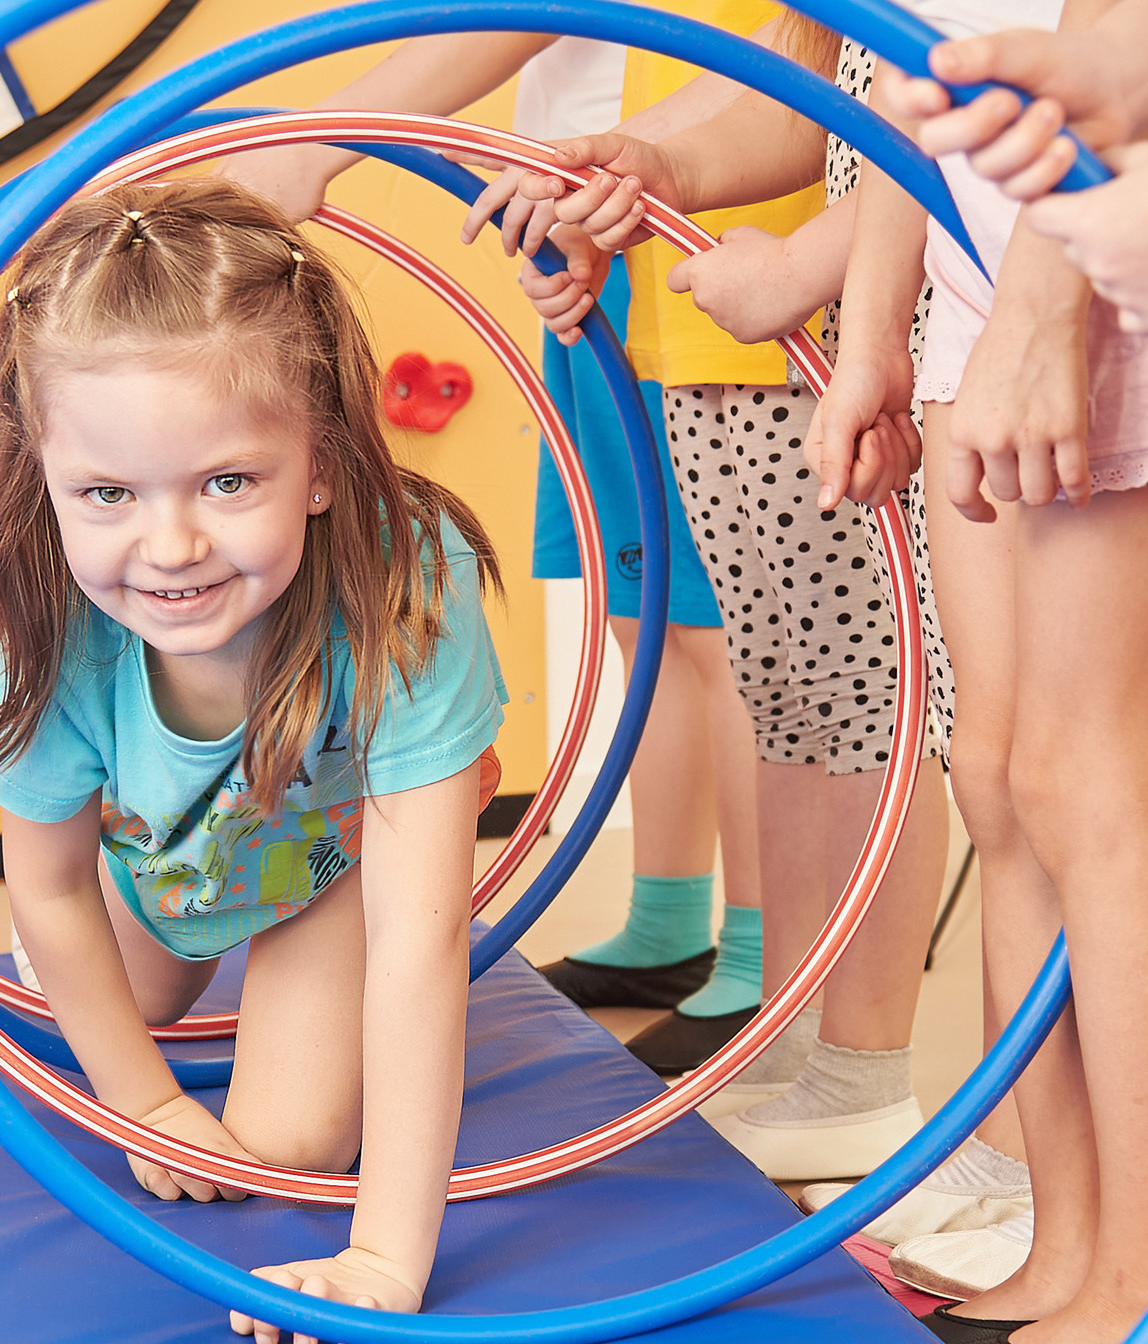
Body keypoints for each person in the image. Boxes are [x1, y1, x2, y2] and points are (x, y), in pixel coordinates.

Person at [0, 178, 507, 1344]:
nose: (169, 546)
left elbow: (423, 940)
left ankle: (278, 978)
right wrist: (145, 1104)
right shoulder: (49, 619)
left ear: (318, 463)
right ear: (43, 484)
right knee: (102, 1005)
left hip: (336, 861)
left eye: (226, 481)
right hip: (162, 860)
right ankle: (172, 975)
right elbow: (46, 885)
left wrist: (381, 1259)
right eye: (106, 493)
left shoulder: (406, 576)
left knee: (285, 1146)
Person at [810, 0, 1148, 1344]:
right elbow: (902, 64)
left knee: (1084, 778)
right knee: (997, 781)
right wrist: (879, 325)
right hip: (977, 271)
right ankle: (1069, 1242)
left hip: (1101, 253)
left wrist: (1043, 308)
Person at [465, 12, 957, 1183]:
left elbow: (932, 139)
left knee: (863, 720)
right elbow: (792, 99)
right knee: (786, 706)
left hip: (831, 346)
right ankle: (794, 1038)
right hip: (722, 334)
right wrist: (650, 168)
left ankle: (858, 1066)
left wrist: (804, 276)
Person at [219, 25, 769, 1036]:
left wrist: (313, 145)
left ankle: (758, 949)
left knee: (715, 630)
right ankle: (668, 918)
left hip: (686, 223)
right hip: (593, 224)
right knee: (639, 607)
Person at [881, 0, 1148, 955]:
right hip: (991, 293)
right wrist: (1113, 71)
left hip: (1118, 299)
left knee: (1074, 782)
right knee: (1000, 779)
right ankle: (1015, 1116)